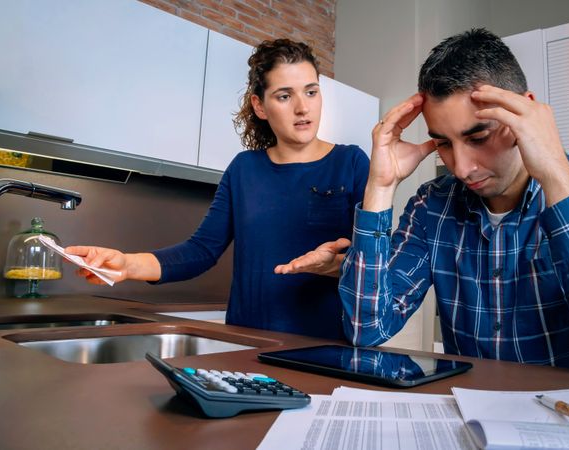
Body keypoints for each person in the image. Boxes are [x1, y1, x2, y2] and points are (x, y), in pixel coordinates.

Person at [288, 28, 569, 378]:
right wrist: (380, 187)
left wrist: (554, 173)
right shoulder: (431, 206)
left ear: (527, 113)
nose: (463, 168)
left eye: (479, 136)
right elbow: (366, 329)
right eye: (443, 144)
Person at [66, 39, 369, 340]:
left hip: (325, 349)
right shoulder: (243, 169)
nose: (303, 107)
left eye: (311, 92)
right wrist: (127, 264)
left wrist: (337, 266)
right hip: (248, 347)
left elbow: (375, 267)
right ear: (260, 106)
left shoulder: (351, 163)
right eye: (284, 96)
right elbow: (201, 251)